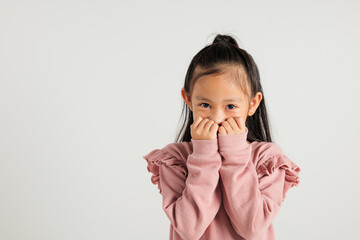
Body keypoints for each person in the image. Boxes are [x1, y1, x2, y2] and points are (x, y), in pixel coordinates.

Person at [143, 33, 301, 240]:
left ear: (252, 104)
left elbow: (251, 228)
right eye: (205, 105)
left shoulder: (267, 160)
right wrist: (203, 157)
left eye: (231, 106)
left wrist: (235, 155)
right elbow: (189, 229)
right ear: (188, 100)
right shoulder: (175, 161)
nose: (217, 117)